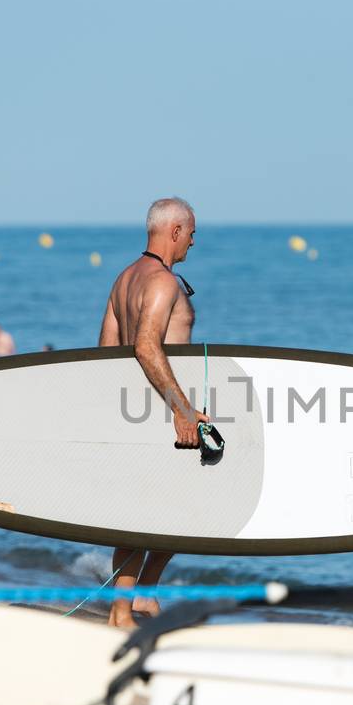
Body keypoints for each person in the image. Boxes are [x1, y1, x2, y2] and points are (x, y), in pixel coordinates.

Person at [96, 196, 205, 628]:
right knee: (152, 515)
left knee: (168, 511)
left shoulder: (123, 280)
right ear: (175, 231)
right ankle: (123, 610)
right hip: (161, 409)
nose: (192, 243)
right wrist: (180, 409)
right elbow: (145, 345)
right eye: (191, 234)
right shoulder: (162, 282)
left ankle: (141, 596)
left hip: (134, 408)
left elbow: (104, 353)